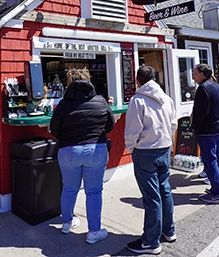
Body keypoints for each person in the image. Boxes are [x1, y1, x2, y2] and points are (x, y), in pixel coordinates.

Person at [48, 68, 113, 244]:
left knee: (69, 188)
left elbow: (54, 130)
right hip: (95, 150)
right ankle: (93, 232)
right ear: (89, 81)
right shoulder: (100, 101)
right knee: (93, 192)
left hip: (69, 150)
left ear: (69, 83)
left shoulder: (63, 105)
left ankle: (67, 223)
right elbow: (110, 126)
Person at [124, 65, 177, 254]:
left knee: (151, 197)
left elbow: (132, 130)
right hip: (164, 148)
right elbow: (173, 124)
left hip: (145, 151)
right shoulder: (167, 99)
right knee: (165, 191)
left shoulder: (137, 100)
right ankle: (168, 231)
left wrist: (132, 148)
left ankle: (150, 242)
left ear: (138, 80)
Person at [192, 63, 219, 204]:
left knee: (210, 160)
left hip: (207, 130)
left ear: (202, 74)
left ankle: (217, 193)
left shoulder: (203, 88)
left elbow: (201, 113)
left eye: (195, 73)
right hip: (217, 127)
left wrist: (194, 123)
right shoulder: (215, 85)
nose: (193, 76)